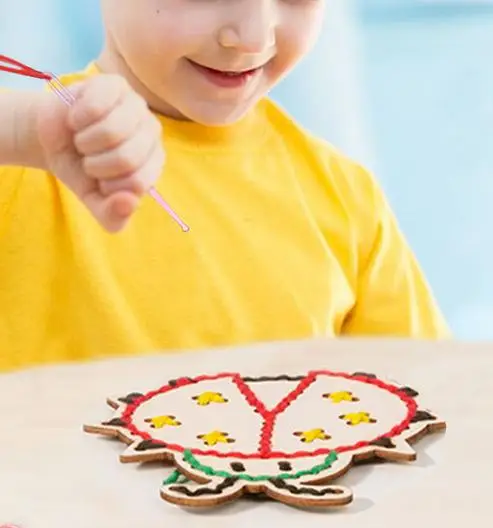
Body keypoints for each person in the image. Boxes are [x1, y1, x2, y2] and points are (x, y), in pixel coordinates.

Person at [0, 0, 449, 373]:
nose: (253, 36)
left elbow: (432, 402)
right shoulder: (25, 156)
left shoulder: (347, 198)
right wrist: (25, 132)